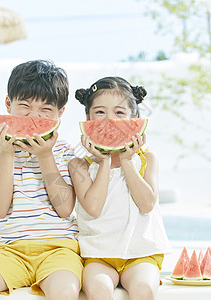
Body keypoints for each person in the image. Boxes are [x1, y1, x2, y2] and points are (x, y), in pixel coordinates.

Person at [0, 60, 83, 300]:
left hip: (59, 249)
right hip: (10, 250)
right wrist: (6, 152)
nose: (33, 117)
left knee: (65, 291)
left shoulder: (65, 151)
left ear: (60, 113)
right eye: (24, 106)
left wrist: (46, 155)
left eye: (45, 110)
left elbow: (66, 209)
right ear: (8, 104)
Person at [69, 77, 171, 300]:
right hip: (97, 255)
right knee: (98, 290)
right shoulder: (79, 166)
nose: (109, 122)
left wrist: (126, 161)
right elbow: (93, 208)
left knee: (144, 289)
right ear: (87, 119)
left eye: (119, 113)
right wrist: (104, 159)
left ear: (135, 119)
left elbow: (146, 204)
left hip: (141, 254)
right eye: (100, 113)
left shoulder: (147, 160)